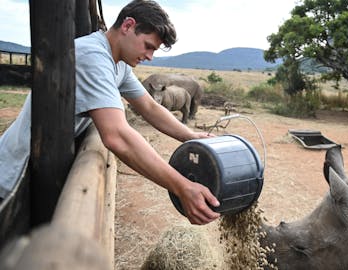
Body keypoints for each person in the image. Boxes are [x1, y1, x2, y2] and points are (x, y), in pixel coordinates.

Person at [0, 0, 220, 225]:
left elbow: (149, 106)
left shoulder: (118, 63)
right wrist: (182, 186)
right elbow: (117, 136)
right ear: (128, 26)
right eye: (148, 46)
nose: (150, 56)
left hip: (32, 172)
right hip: (14, 178)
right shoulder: (93, 57)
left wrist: (190, 137)